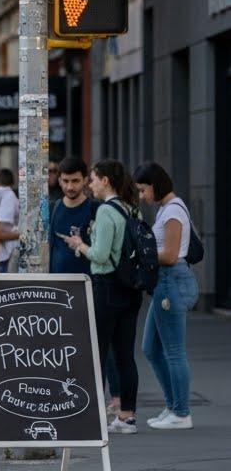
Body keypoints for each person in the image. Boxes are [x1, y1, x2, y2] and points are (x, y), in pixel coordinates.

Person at [62, 159, 142, 434]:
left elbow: (99, 255)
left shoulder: (107, 211)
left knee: (96, 351)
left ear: (105, 180)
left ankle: (90, 416)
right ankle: (127, 416)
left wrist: (79, 244)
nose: (90, 184)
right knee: (124, 355)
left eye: (93, 179)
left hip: (106, 286)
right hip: (130, 289)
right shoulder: (131, 208)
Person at [50, 156, 122, 415]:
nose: (70, 186)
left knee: (104, 344)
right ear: (59, 180)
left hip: (93, 285)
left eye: (76, 181)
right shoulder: (54, 208)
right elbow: (51, 248)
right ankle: (75, 396)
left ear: (85, 180)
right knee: (68, 345)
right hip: (60, 289)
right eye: (66, 181)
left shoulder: (95, 209)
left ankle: (116, 397)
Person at [134, 162, 199, 430]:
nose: (142, 196)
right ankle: (173, 405)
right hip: (166, 282)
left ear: (155, 185)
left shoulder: (172, 211)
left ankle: (181, 412)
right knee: (150, 347)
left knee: (173, 351)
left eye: (143, 190)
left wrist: (142, 254)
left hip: (171, 281)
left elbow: (171, 255)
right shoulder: (166, 210)